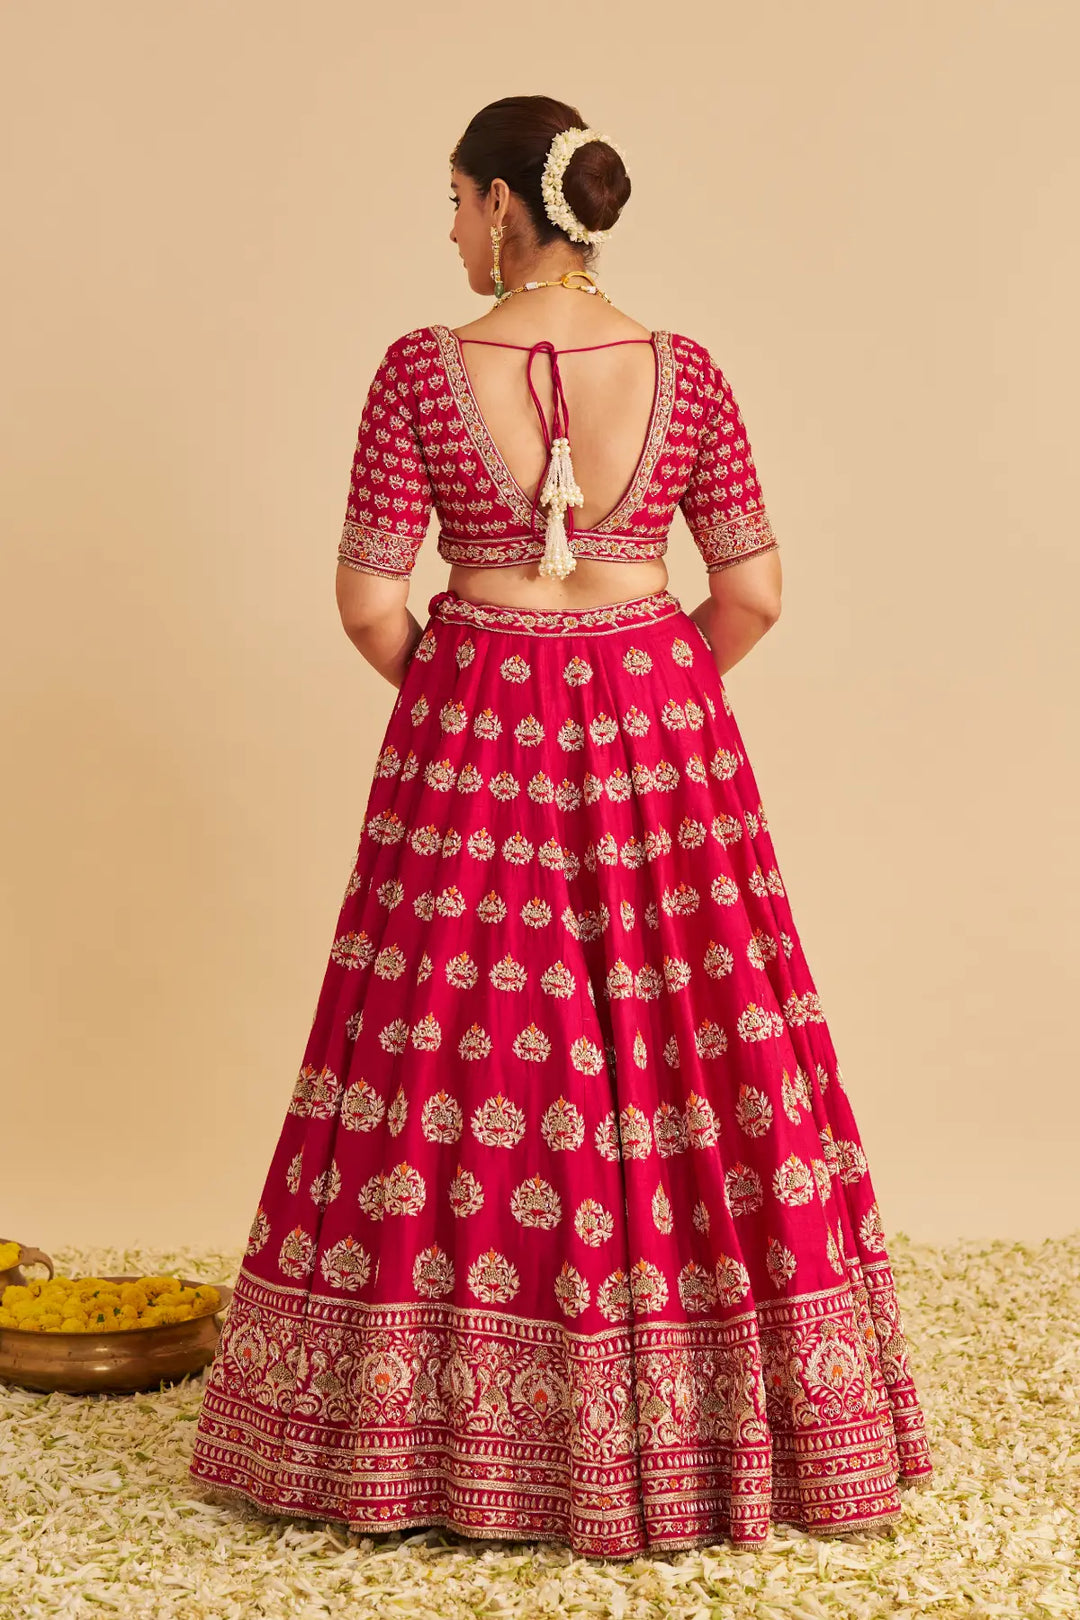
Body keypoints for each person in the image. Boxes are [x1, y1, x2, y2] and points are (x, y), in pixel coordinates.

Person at [187, 94, 934, 1560]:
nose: (453, 229)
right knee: (695, 1050)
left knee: (443, 1051)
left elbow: (365, 602)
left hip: (475, 713)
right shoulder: (686, 372)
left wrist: (472, 700)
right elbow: (756, 592)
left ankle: (430, 1443)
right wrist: (645, 700)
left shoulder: (419, 370)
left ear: (505, 209)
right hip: (659, 712)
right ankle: (747, 1430)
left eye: (457, 201)